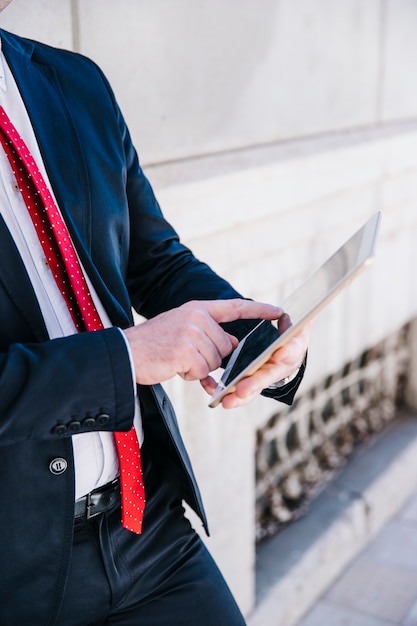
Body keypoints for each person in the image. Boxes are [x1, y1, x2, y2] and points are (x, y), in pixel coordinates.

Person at [0, 2, 310, 624]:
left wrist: (256, 336)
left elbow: (155, 261)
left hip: (149, 533)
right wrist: (125, 358)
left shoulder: (73, 80)